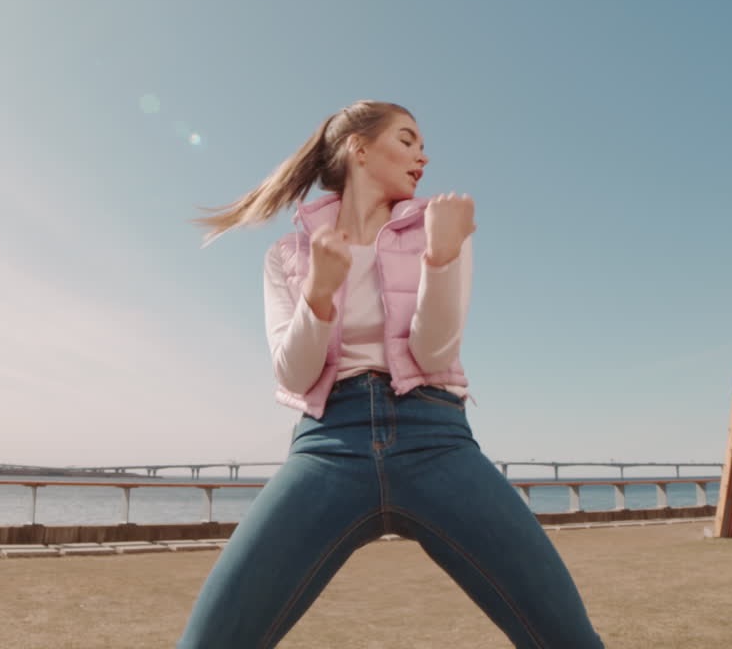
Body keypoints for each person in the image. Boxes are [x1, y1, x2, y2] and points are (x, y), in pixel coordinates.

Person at [179, 100, 605, 648]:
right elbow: (294, 372)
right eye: (407, 140)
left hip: (436, 440)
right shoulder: (289, 254)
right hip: (329, 446)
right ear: (359, 147)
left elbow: (433, 352)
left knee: (568, 638)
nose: (422, 156)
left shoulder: (441, 228)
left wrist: (442, 257)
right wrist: (318, 292)